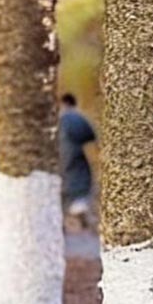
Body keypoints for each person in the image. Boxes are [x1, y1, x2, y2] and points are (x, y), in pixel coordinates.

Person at [58, 91, 98, 229]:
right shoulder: (76, 117)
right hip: (75, 157)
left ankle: (70, 217)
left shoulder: (59, 119)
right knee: (80, 184)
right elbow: (91, 136)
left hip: (61, 159)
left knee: (66, 188)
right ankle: (78, 213)